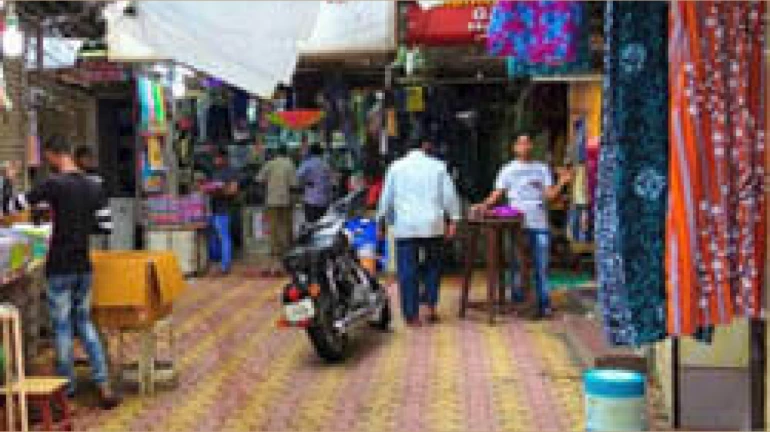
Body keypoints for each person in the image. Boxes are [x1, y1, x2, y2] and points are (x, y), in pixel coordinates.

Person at [1, 136, 119, 409]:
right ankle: (103, 384)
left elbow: (11, 207)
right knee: (85, 324)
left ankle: (66, 390)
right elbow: (106, 225)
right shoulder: (93, 186)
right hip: (83, 266)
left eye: (48, 158)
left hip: (59, 266)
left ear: (55, 156)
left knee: (63, 328)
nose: (47, 163)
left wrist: (8, 179)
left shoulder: (53, 185)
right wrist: (79, 225)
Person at [473, 134, 572, 319]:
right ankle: (519, 302)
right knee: (518, 263)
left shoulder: (541, 168)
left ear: (532, 146)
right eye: (520, 142)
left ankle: (544, 304)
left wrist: (562, 182)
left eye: (527, 142)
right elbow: (497, 194)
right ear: (514, 147)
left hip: (539, 222)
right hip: (515, 224)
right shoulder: (507, 169)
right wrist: (484, 205)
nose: (524, 146)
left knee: (541, 265)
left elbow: (550, 196)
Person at [377, 139, 460, 327]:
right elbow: (449, 195)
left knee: (407, 271)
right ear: (425, 146)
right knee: (433, 266)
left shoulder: (395, 168)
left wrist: (382, 222)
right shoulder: (438, 166)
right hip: (433, 224)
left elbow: (386, 199)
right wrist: (453, 220)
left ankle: (411, 315)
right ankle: (430, 306)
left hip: (405, 225)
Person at [256, 145, 297, 277]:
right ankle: (287, 262)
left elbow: (258, 179)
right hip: (286, 201)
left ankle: (274, 262)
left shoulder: (270, 164)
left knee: (273, 231)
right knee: (285, 229)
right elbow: (294, 184)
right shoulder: (290, 164)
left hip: (271, 201)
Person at [206, 148, 239, 276]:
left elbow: (233, 190)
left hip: (224, 209)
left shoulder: (231, 172)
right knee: (213, 238)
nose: (216, 160)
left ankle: (225, 265)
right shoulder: (214, 172)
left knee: (224, 237)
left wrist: (221, 189)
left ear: (225, 159)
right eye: (215, 158)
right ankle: (216, 262)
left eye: (218, 158)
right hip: (213, 208)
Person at [296, 143, 333, 223]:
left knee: (311, 223)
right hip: (324, 200)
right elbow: (330, 182)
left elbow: (298, 176)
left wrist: (306, 182)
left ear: (311, 152)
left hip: (311, 199)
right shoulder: (326, 164)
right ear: (321, 153)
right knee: (321, 224)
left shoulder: (307, 163)